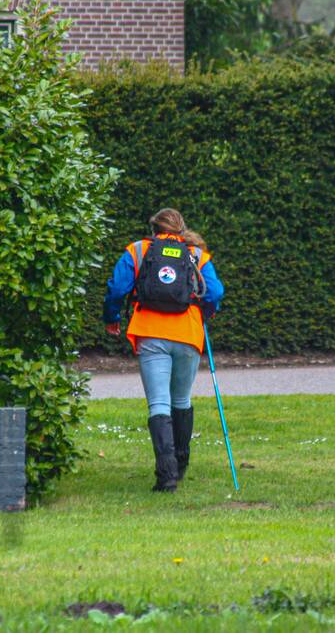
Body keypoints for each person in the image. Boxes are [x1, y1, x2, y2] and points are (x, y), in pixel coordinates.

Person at [103, 208, 224, 492]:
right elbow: (216, 292)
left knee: (158, 403)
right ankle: (180, 465)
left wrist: (112, 318)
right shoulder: (195, 255)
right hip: (188, 333)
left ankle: (166, 477)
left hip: (150, 333)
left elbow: (117, 288)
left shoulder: (138, 250)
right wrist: (206, 311)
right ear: (181, 229)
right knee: (181, 399)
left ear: (154, 228)